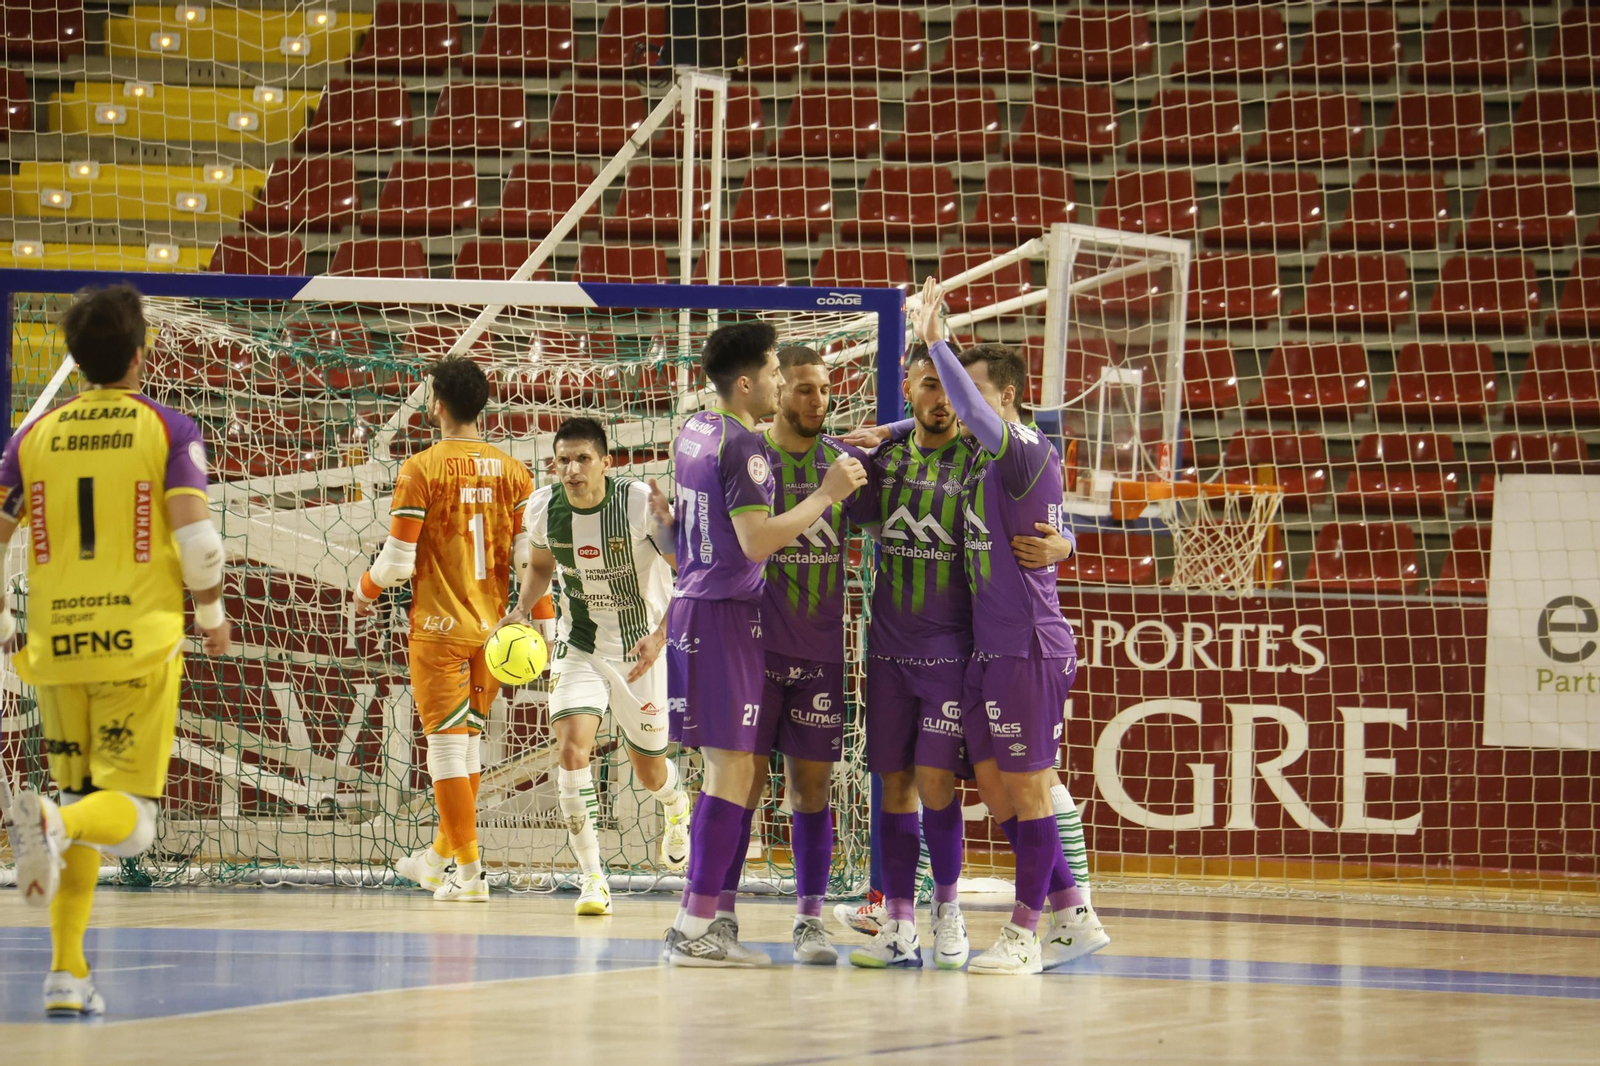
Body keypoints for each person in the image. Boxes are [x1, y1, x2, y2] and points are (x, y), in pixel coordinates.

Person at [1, 283, 233, 1017]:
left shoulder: (29, 437)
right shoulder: (164, 426)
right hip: (138, 643)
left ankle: (67, 976)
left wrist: (5, 627)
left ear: (74, 356)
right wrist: (212, 613)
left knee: (84, 801)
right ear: (142, 354)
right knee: (127, 822)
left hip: (56, 646)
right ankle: (54, 827)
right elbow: (197, 541)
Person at [911, 277, 1110, 975]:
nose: (957, 401)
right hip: (986, 650)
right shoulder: (980, 457)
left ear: (1009, 399)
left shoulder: (1020, 446)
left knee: (1029, 788)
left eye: (970, 389)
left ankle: (1030, 933)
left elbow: (972, 412)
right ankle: (1072, 913)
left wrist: (938, 337)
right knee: (996, 788)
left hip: (1027, 645)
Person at [656, 320, 866, 967]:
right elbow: (754, 542)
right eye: (779, 375)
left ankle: (710, 922)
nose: (783, 385)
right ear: (747, 382)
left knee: (742, 771)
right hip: (728, 617)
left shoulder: (694, 430)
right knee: (734, 772)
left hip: (702, 608)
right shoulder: (744, 445)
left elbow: (671, 531)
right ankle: (700, 924)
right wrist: (829, 494)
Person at [354, 356, 533, 904]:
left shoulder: (421, 468)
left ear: (436, 404)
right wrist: (540, 624)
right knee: (468, 748)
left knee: (445, 753)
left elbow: (398, 563)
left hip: (438, 628)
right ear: (482, 404)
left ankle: (472, 875)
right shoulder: (515, 471)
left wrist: (364, 591)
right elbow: (530, 560)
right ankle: (437, 861)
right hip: (497, 632)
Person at [497, 416, 692, 917]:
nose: (572, 468)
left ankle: (675, 805)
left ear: (608, 462)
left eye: (583, 458)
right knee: (570, 750)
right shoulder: (543, 508)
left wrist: (659, 637)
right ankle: (592, 879)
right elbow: (541, 567)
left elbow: (689, 575)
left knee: (650, 773)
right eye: (563, 459)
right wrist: (522, 609)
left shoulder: (637, 505)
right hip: (578, 644)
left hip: (639, 651)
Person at [847, 344, 982, 971]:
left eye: (950, 386)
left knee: (936, 783)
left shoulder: (983, 455)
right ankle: (898, 922)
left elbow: (1034, 444)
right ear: (908, 388)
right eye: (929, 386)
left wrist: (1063, 539)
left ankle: (948, 911)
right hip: (889, 650)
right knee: (893, 784)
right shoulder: (884, 460)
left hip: (951, 651)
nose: (942, 399)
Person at [751, 346, 874, 964]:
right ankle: (712, 913)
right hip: (751, 649)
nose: (816, 400)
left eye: (824, 390)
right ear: (779, 392)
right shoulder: (750, 459)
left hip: (821, 650)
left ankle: (809, 921)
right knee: (738, 787)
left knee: (813, 787)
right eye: (802, 388)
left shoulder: (844, 466)